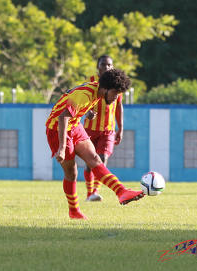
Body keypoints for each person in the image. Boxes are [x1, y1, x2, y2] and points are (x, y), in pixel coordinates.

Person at [46, 68, 144, 219]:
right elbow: (63, 117)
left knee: (95, 159)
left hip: (74, 125)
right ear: (105, 89)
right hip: (57, 129)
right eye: (115, 93)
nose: (116, 97)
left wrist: (88, 112)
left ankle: (122, 192)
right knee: (71, 172)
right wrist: (62, 147)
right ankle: (74, 211)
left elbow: (74, 100)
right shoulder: (85, 95)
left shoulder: (96, 91)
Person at [83, 55, 123, 202]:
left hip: (108, 129)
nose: (106, 67)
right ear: (97, 66)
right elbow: (84, 102)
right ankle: (90, 193)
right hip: (90, 129)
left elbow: (119, 106)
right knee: (90, 162)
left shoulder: (117, 83)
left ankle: (95, 191)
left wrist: (121, 128)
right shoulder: (91, 81)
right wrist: (88, 112)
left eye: (109, 65)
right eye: (103, 64)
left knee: (102, 158)